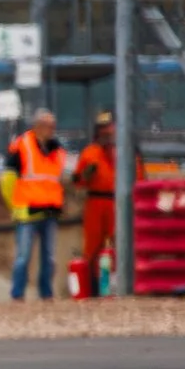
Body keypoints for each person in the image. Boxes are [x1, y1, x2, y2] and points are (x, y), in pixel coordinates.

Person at [2, 108, 66, 301]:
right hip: (28, 210)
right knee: (23, 257)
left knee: (49, 258)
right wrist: (14, 205)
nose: (51, 129)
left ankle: (46, 293)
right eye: (48, 125)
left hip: (50, 210)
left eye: (53, 126)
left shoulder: (57, 150)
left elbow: (54, 179)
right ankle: (17, 294)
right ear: (37, 126)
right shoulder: (22, 145)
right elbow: (7, 180)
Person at [73, 112, 116, 296]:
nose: (107, 132)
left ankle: (115, 287)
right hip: (96, 201)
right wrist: (86, 176)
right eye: (103, 129)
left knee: (117, 244)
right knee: (92, 246)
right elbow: (77, 180)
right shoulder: (90, 152)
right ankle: (91, 288)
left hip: (116, 203)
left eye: (109, 128)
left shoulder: (122, 151)